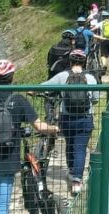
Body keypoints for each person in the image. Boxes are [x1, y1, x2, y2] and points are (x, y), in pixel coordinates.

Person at [0, 60, 59, 214]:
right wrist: (55, 128)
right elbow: (40, 126)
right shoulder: (18, 100)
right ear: (12, 77)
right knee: (2, 207)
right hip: (8, 161)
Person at [41, 49, 97, 195]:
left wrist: (33, 91)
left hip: (67, 118)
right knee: (80, 148)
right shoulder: (91, 79)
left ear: (70, 62)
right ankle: (77, 180)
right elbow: (96, 99)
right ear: (84, 62)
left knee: (69, 144)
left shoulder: (62, 76)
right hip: (85, 119)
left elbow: (44, 86)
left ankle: (71, 170)